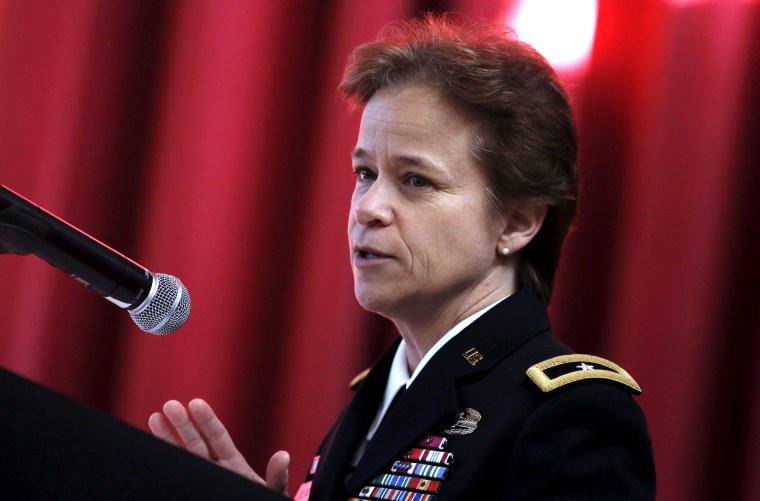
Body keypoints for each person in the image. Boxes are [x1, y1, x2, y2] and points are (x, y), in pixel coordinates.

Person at [148, 14, 656, 500]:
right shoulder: (385, 387)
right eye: (365, 173)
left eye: (416, 180)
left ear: (518, 221)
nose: (367, 208)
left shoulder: (572, 412)